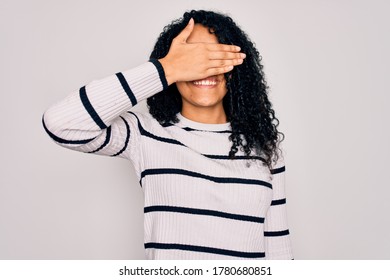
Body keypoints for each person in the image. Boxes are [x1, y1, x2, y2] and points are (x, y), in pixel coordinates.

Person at [42, 10, 293, 260]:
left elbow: (278, 249)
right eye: (192, 58)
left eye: (214, 57)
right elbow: (60, 124)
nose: (204, 69)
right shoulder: (144, 134)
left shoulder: (266, 148)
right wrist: (167, 69)